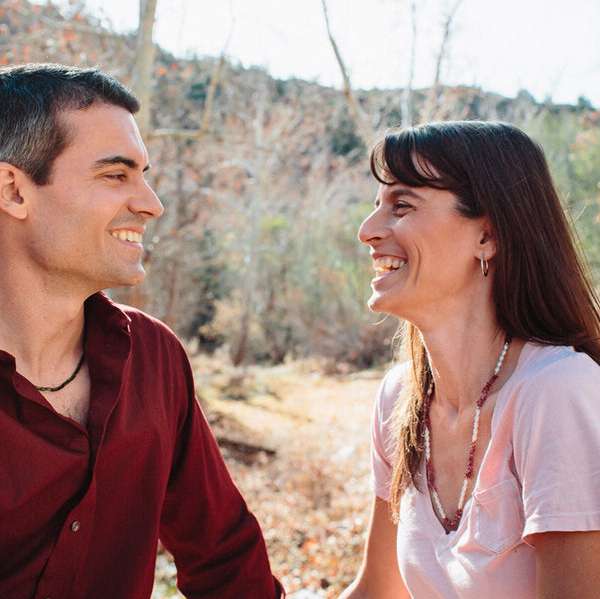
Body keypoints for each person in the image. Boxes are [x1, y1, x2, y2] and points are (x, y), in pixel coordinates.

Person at [0, 63, 284, 599]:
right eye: (116, 175)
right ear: (14, 190)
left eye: (144, 174)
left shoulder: (152, 356)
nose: (151, 203)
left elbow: (226, 559)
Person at [340, 120, 600, 599]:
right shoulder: (400, 399)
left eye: (402, 205)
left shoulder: (558, 393)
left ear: (488, 236)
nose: (368, 231)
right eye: (376, 206)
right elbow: (378, 590)